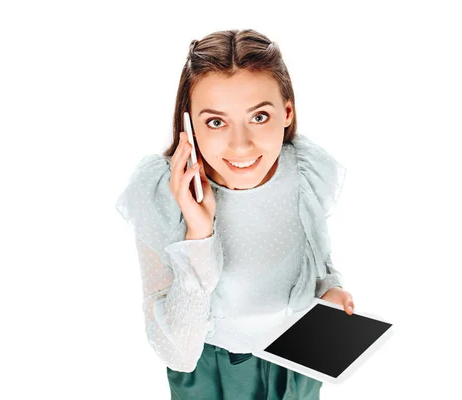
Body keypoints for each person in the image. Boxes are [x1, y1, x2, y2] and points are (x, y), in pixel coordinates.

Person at [115, 28, 356, 399]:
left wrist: (330, 291)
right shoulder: (162, 195)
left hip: (298, 363)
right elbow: (176, 352)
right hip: (215, 373)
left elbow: (317, 262)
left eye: (259, 117)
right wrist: (199, 232)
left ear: (287, 112)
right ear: (188, 125)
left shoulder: (305, 170)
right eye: (215, 122)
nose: (240, 145)